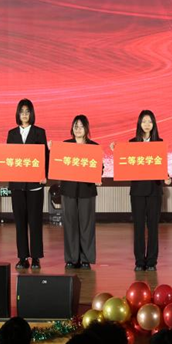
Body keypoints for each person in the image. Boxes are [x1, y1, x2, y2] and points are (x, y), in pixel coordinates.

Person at [112, 110, 171, 271]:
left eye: (150, 121)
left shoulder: (159, 143)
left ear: (154, 124)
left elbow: (162, 167)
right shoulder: (132, 143)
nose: (147, 124)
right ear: (139, 124)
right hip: (137, 191)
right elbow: (125, 164)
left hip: (154, 191)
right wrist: (116, 150)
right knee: (138, 227)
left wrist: (167, 178)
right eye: (144, 121)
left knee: (153, 228)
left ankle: (151, 261)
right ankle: (139, 261)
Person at [6, 99, 48, 271]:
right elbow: (8, 157)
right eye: (22, 111)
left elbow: (45, 156)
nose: (24, 114)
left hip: (35, 185)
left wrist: (44, 175)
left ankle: (36, 257)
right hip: (17, 185)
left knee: (35, 221)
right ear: (18, 114)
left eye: (27, 111)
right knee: (20, 222)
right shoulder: (12, 133)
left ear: (32, 113)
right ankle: (22, 257)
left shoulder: (39, 132)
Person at [56, 115, 99, 269]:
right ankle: (72, 258)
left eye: (81, 126)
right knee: (70, 224)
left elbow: (99, 167)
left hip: (87, 190)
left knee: (87, 225)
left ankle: (86, 258)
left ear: (86, 129)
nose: (78, 129)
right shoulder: (65, 145)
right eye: (75, 126)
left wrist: (98, 176)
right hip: (68, 190)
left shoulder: (94, 146)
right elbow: (58, 164)